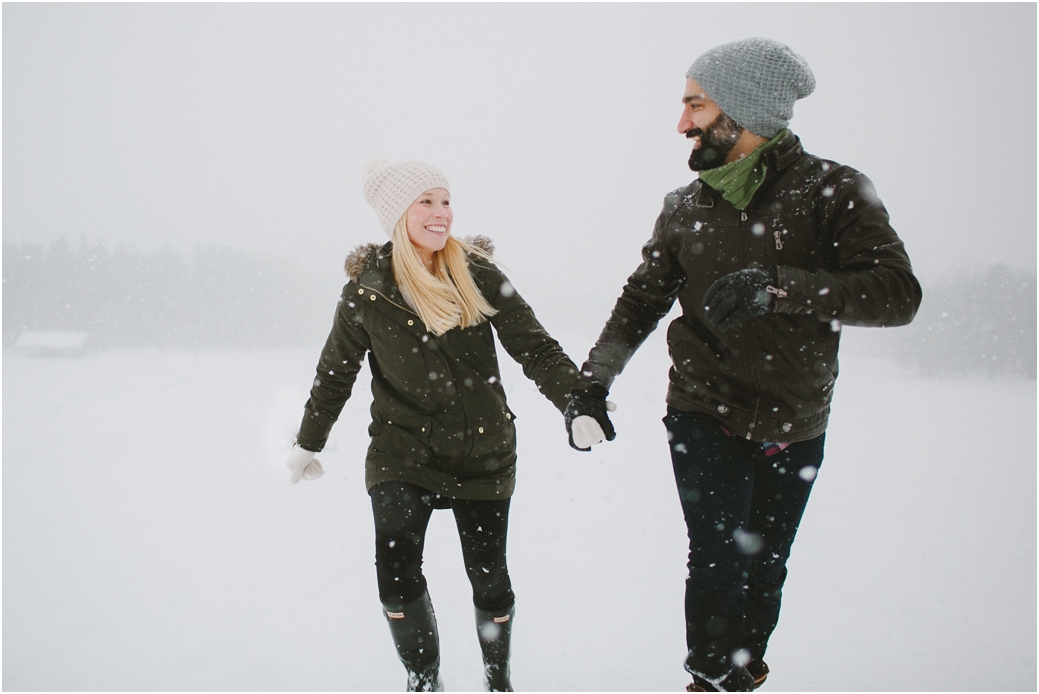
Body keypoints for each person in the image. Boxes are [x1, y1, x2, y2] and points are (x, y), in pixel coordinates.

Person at [563, 38, 922, 692]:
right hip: (703, 408)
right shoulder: (685, 206)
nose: (680, 124)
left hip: (797, 418)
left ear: (745, 109)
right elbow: (640, 300)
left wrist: (782, 286)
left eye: (694, 104)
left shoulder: (833, 191)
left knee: (765, 565)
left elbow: (897, 294)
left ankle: (742, 672)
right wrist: (591, 386)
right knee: (717, 561)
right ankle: (707, 678)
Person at [287, 159, 578, 692]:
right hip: (403, 453)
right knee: (396, 578)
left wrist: (576, 400)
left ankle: (498, 681)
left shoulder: (478, 272)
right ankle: (424, 682)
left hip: (483, 451)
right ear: (398, 214)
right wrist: (308, 442)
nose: (441, 213)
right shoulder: (366, 293)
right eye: (426, 201)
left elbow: (534, 347)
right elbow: (335, 374)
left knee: (489, 578)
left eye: (445, 201)